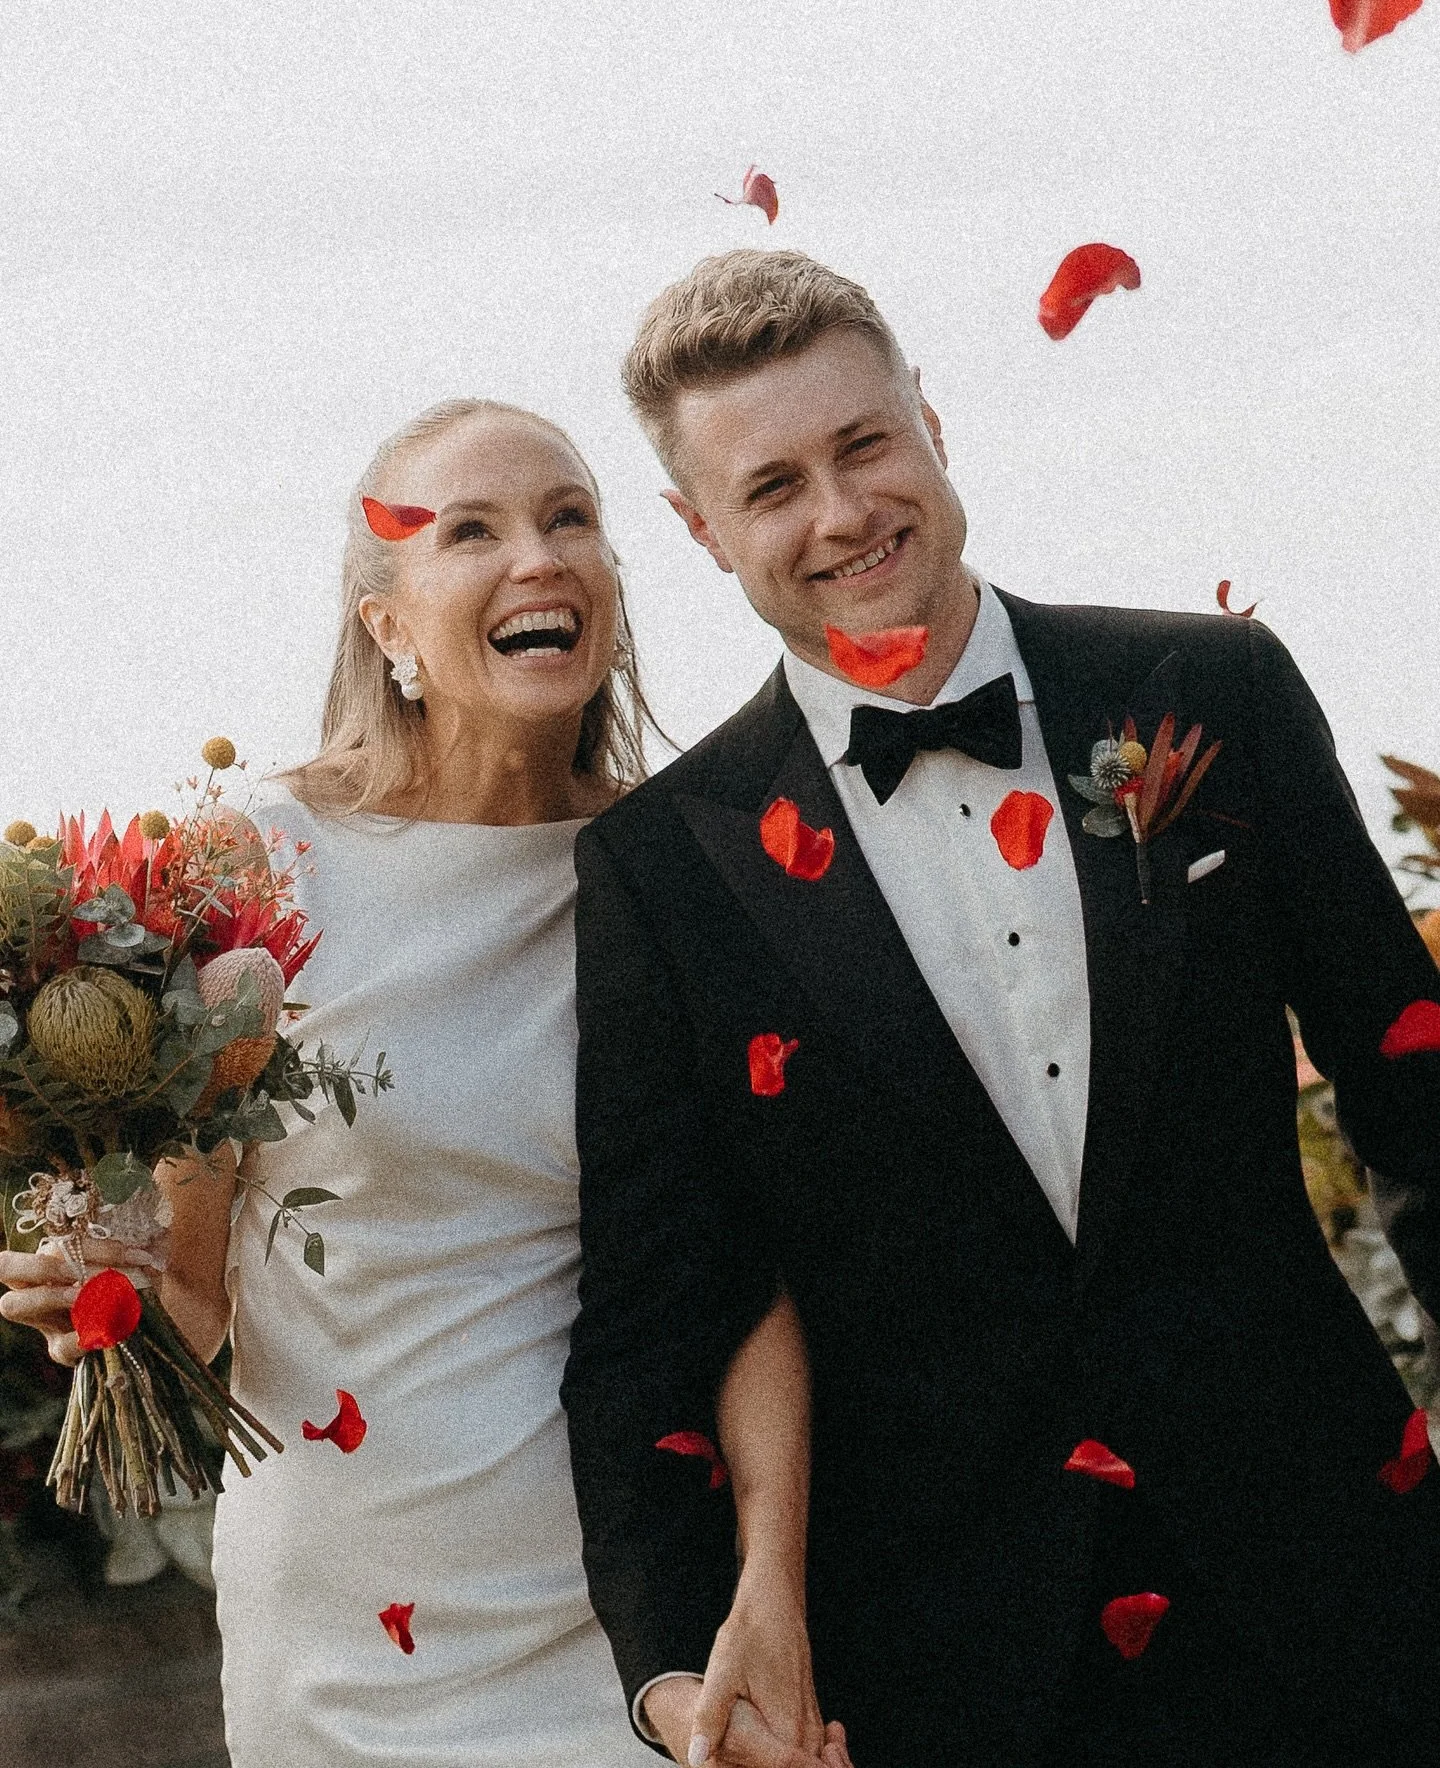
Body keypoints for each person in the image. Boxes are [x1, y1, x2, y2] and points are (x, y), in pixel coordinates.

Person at [561, 251, 1440, 1768]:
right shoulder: (664, 868)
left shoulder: (1207, 688)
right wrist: (672, 1675)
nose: (840, 514)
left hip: (1340, 1583)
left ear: (933, 422)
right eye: (771, 487)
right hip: (951, 1669)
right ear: (701, 532)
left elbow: (1413, 1090)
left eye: (863, 445)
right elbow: (658, 1304)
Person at [0, 399, 846, 1768]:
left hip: (627, 1616)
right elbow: (207, 1294)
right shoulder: (255, 870)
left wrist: (768, 1585)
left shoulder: (695, 875)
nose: (542, 557)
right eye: (473, 531)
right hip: (338, 1632)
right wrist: (104, 1284)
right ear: (386, 625)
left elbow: (749, 1283)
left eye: (572, 518)